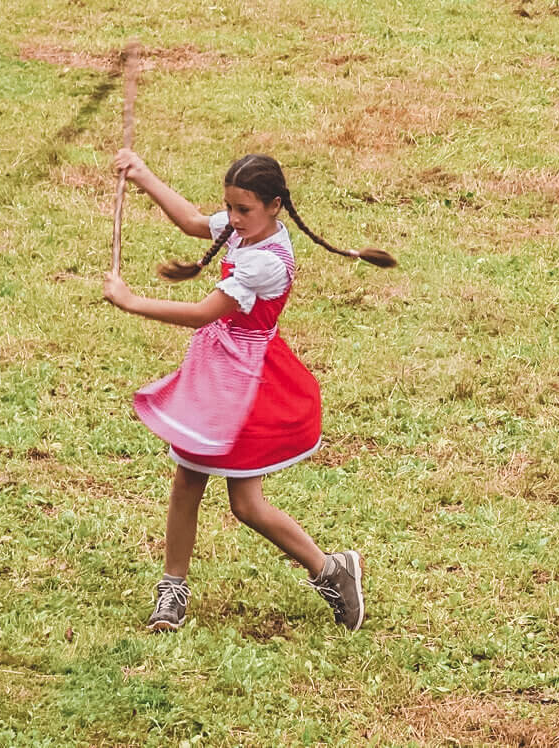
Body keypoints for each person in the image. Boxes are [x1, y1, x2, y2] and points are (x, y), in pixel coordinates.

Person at [103, 149, 392, 633]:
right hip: (215, 372)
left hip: (245, 381)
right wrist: (142, 174)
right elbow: (192, 222)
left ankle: (330, 569)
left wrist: (132, 301)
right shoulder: (247, 231)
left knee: (245, 504)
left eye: (244, 210)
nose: (233, 219)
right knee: (188, 480)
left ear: (274, 206)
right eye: (230, 208)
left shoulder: (266, 262)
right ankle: (173, 588)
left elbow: (202, 314)